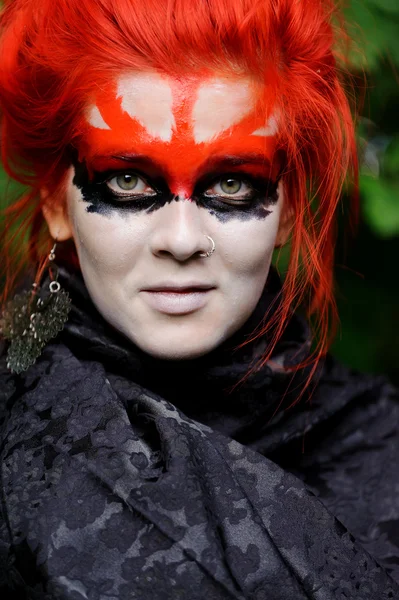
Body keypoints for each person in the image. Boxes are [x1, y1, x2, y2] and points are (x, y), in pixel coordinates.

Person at [0, 0, 398, 598]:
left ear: (287, 209)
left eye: (233, 182)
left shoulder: (384, 443)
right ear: (59, 201)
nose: (183, 241)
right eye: (129, 180)